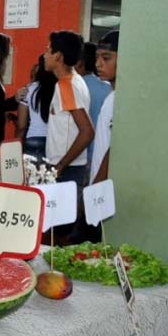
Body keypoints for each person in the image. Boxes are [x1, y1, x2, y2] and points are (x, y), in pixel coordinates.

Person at [44, 31, 95, 243]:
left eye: (48, 50)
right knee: (57, 233)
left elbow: (87, 132)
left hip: (66, 170)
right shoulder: (75, 81)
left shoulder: (66, 84)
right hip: (69, 168)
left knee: (54, 236)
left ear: (59, 56)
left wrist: (60, 165)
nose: (45, 54)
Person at [76, 41, 112, 163]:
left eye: (105, 58)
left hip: (77, 155)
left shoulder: (73, 87)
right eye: (97, 58)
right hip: (101, 152)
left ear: (80, 62)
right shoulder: (108, 89)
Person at [16, 55, 57, 161]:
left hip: (33, 139)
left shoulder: (29, 90)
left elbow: (21, 125)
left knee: (33, 176)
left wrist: (16, 146)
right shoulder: (59, 89)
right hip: (54, 141)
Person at [91, 30, 118, 183]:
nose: (98, 64)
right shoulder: (111, 97)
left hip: (103, 189)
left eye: (106, 58)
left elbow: (114, 150)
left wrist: (96, 188)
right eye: (97, 57)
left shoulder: (121, 101)